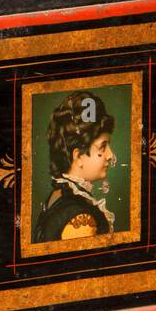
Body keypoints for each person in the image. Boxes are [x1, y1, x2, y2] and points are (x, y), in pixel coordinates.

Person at [34, 91, 118, 242]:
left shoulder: (59, 193)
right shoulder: (80, 219)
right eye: (103, 147)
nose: (110, 155)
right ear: (78, 156)